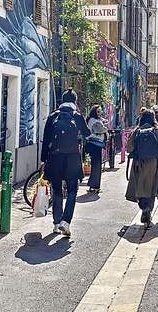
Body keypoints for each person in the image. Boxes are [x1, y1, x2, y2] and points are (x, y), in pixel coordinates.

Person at [41, 88, 90, 237]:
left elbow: (46, 139)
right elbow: (87, 133)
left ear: (62, 101)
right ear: (74, 101)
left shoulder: (53, 116)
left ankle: (56, 222)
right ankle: (66, 222)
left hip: (55, 158)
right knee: (72, 191)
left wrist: (43, 159)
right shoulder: (77, 116)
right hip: (72, 159)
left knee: (56, 190)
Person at [125, 109, 158, 227]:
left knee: (140, 186)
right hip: (153, 163)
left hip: (138, 163)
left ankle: (143, 207)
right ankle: (148, 209)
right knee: (152, 187)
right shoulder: (157, 131)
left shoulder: (137, 131)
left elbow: (129, 148)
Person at [86, 105, 109, 194]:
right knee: (96, 166)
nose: (100, 113)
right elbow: (102, 129)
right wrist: (105, 127)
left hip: (95, 145)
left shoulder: (94, 120)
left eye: (100, 111)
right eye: (98, 112)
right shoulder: (93, 121)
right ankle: (95, 186)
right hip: (95, 145)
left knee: (96, 166)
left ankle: (93, 185)